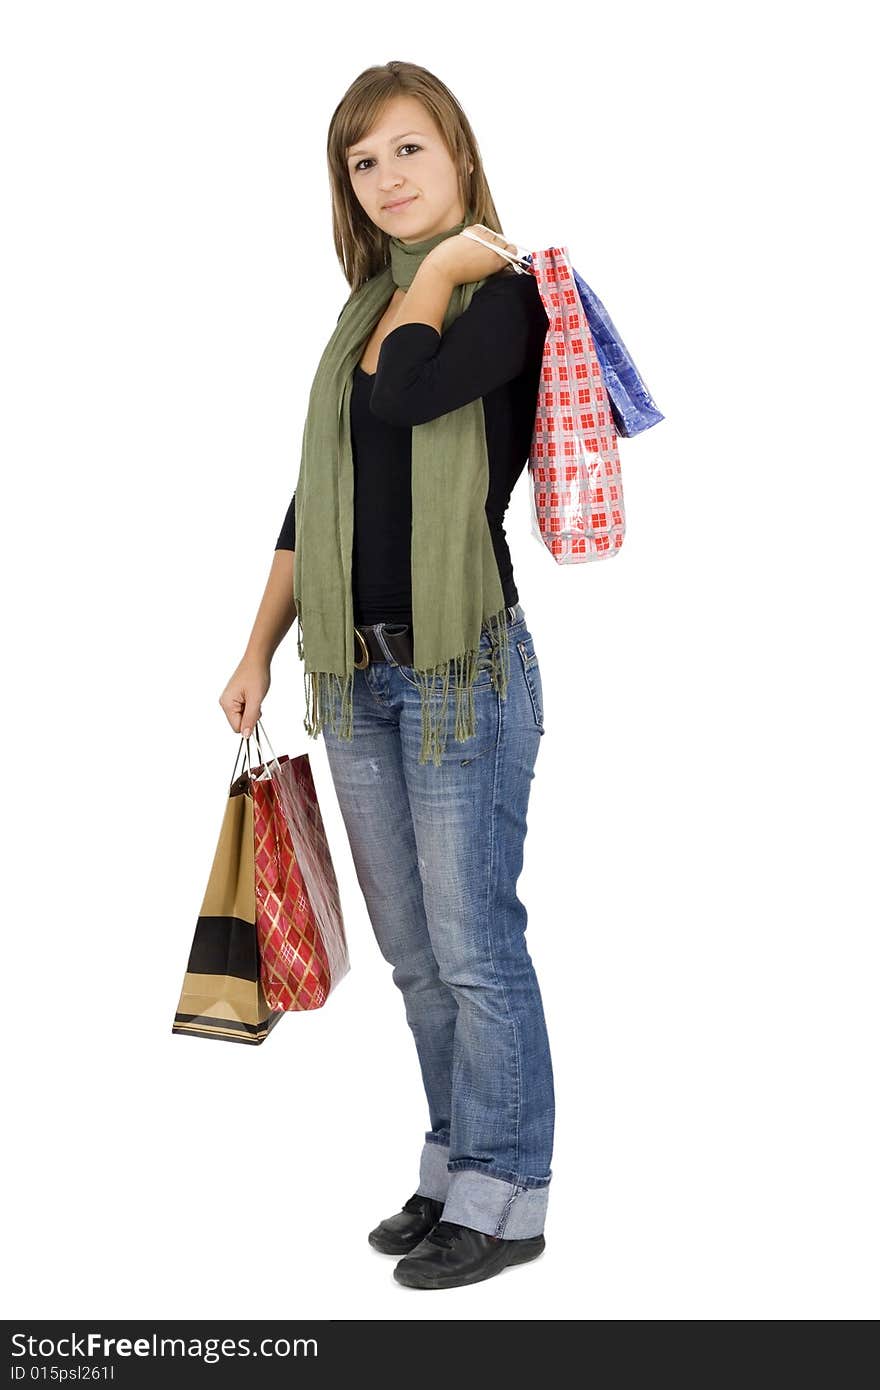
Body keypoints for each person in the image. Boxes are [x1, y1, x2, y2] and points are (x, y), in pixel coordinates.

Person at [219, 60, 554, 1291]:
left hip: (463, 668)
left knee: (476, 949)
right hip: (354, 678)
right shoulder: (366, 314)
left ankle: (509, 1200)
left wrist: (451, 270)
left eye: (409, 150)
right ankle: (455, 1165)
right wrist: (256, 645)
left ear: (458, 157)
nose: (389, 176)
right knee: (416, 956)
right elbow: (318, 496)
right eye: (365, 162)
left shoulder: (498, 299)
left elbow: (416, 399)